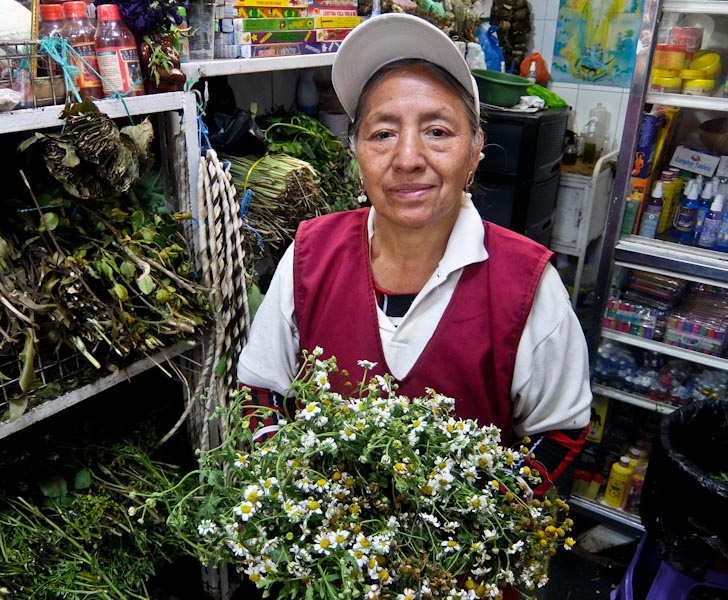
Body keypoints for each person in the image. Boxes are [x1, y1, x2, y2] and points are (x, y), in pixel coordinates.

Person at [237, 13, 591, 500]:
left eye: (438, 132)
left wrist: (469, 527)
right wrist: (299, 506)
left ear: (475, 150)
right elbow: (260, 389)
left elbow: (561, 430)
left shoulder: (526, 285)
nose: (407, 158)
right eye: (382, 133)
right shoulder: (310, 255)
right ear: (356, 152)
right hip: (330, 571)